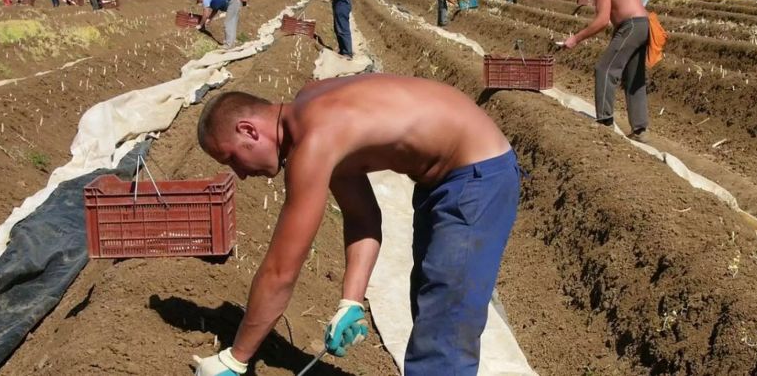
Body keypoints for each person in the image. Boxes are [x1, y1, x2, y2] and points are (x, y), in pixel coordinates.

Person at [191, 74, 521, 376]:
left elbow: (280, 272)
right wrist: (351, 301)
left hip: (478, 177)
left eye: (232, 157)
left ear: (248, 130)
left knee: (445, 323)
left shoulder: (315, 140)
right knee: (430, 303)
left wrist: (235, 359)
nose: (241, 173)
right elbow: (362, 216)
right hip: (443, 179)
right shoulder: (311, 110)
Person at [560, 0, 650, 142]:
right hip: (642, 24)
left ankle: (605, 123)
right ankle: (640, 130)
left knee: (604, 69)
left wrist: (576, 38)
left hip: (632, 26)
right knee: (634, 77)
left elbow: (601, 21)